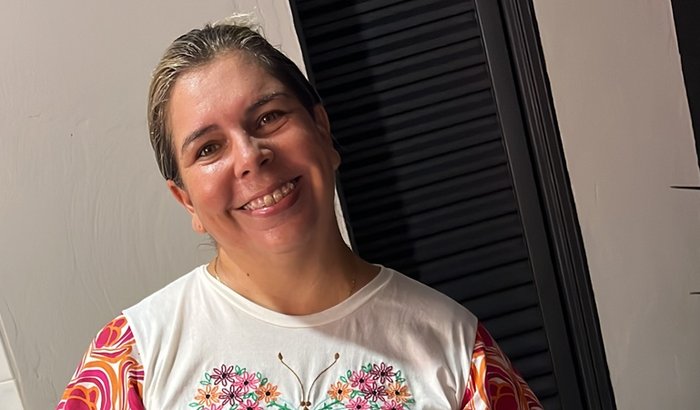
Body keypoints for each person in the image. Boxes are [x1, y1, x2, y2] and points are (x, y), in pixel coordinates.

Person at [57, 18, 542, 410]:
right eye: (208, 148)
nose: (250, 156)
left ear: (322, 132)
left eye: (269, 117)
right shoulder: (132, 360)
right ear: (187, 201)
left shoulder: (457, 349)